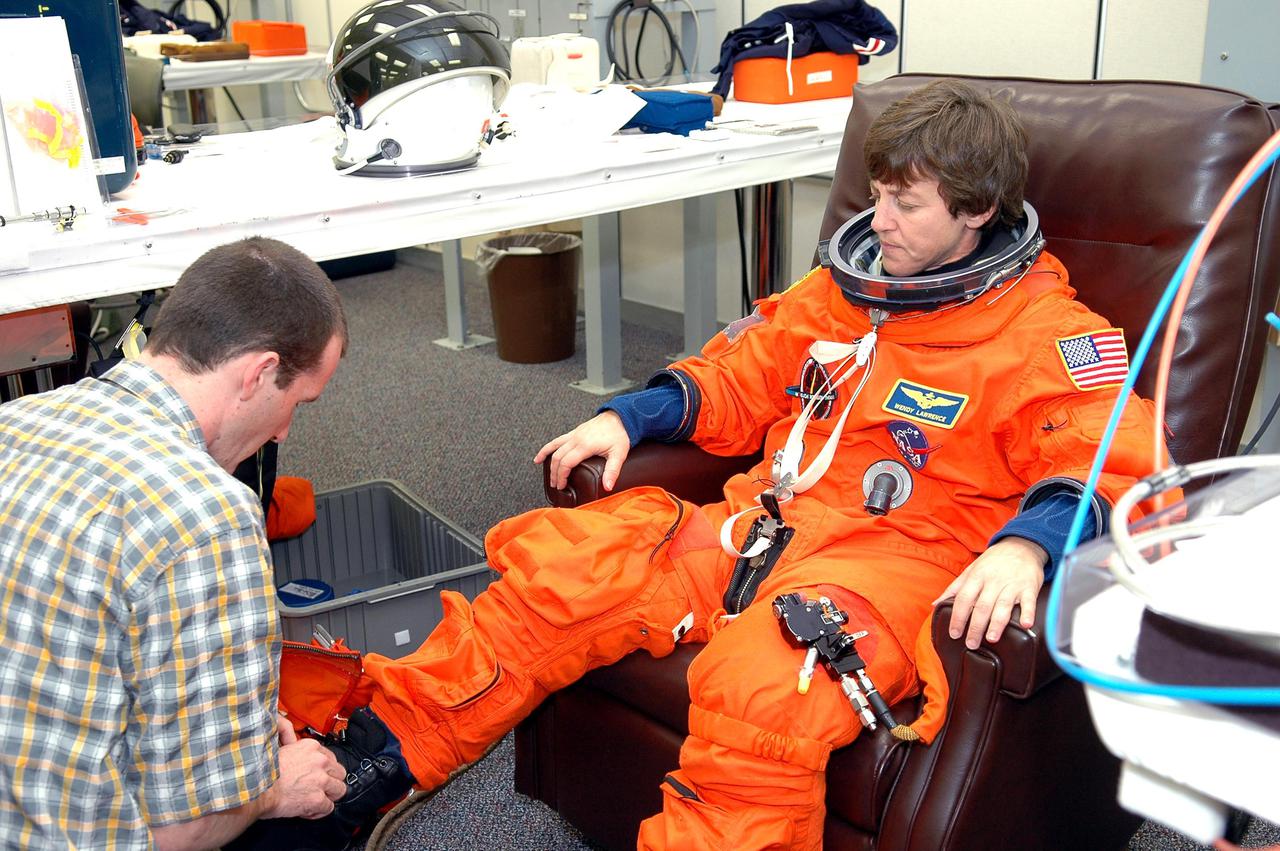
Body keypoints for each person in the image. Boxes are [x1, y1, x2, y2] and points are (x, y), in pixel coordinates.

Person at [276, 80, 1167, 848]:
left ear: (976, 212)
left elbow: (1113, 463)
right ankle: (362, 774)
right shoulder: (845, 293)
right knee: (560, 573)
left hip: (895, 563)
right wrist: (632, 416)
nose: (877, 220)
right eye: (878, 194)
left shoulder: (1052, 338)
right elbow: (743, 369)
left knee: (765, 688)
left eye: (907, 205)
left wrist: (1031, 546)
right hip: (764, 529)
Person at [0, 237, 353, 849]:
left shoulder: (18, 421)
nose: (287, 428)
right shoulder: (206, 513)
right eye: (298, 402)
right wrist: (269, 788)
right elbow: (187, 829)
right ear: (260, 373)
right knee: (320, 801)